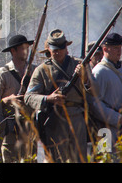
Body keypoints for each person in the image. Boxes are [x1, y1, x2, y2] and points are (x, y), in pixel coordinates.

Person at [24, 29, 89, 163]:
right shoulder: (41, 70)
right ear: (48, 48)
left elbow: (96, 92)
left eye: (61, 48)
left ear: (66, 47)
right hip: (55, 120)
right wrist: (48, 99)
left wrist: (86, 78)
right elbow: (28, 97)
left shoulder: (79, 65)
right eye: (54, 49)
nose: (58, 52)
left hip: (77, 117)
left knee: (80, 159)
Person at [90, 33, 122, 148]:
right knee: (108, 158)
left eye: (120, 48)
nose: (119, 51)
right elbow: (95, 104)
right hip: (106, 127)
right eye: (116, 48)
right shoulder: (99, 72)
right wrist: (117, 118)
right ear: (105, 49)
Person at [0, 34, 35, 162]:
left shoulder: (35, 71)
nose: (27, 51)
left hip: (31, 131)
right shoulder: (2, 73)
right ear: (13, 51)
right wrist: (7, 100)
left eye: (27, 48)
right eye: (23, 48)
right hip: (10, 132)